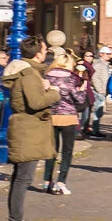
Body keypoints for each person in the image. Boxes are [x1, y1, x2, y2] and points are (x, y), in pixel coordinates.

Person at [1, 52, 61, 221]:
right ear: (38, 53)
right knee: (23, 178)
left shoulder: (27, 73)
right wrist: (53, 92)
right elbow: (35, 103)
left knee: (21, 176)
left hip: (27, 129)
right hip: (29, 130)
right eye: (44, 50)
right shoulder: (29, 74)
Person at [40, 41, 86, 195]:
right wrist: (83, 90)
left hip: (51, 116)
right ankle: (61, 182)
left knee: (51, 151)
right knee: (67, 151)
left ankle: (47, 181)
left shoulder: (47, 76)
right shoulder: (71, 79)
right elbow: (78, 99)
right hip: (68, 117)